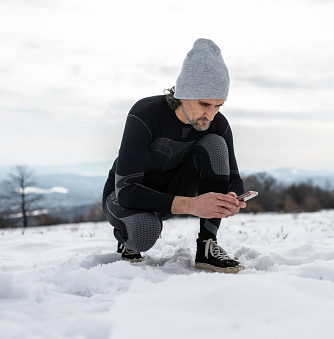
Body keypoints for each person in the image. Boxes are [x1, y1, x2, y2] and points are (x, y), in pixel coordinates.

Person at [102, 38, 247, 273]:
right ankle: (126, 236)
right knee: (143, 233)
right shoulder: (145, 114)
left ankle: (207, 246)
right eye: (204, 104)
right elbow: (128, 191)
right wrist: (192, 204)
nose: (211, 115)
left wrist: (233, 197)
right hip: (126, 195)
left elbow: (233, 178)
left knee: (215, 143)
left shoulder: (217, 124)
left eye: (219, 106)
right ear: (183, 94)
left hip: (172, 192)